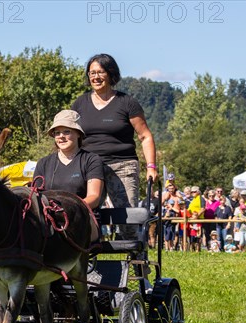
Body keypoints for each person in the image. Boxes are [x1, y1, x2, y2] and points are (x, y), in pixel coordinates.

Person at [71, 53, 157, 239]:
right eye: (91, 73)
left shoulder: (126, 103)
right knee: (84, 214)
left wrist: (151, 167)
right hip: (90, 168)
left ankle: (136, 261)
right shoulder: (79, 104)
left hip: (122, 165)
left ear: (111, 74)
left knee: (126, 218)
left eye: (100, 72)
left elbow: (145, 136)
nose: (95, 77)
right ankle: (86, 261)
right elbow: (70, 136)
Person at [33, 109, 104, 243]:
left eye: (67, 131)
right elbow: (36, 195)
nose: (61, 136)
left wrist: (66, 209)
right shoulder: (43, 163)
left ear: (78, 134)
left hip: (82, 218)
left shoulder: (91, 160)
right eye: (57, 133)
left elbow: (94, 197)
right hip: (49, 221)